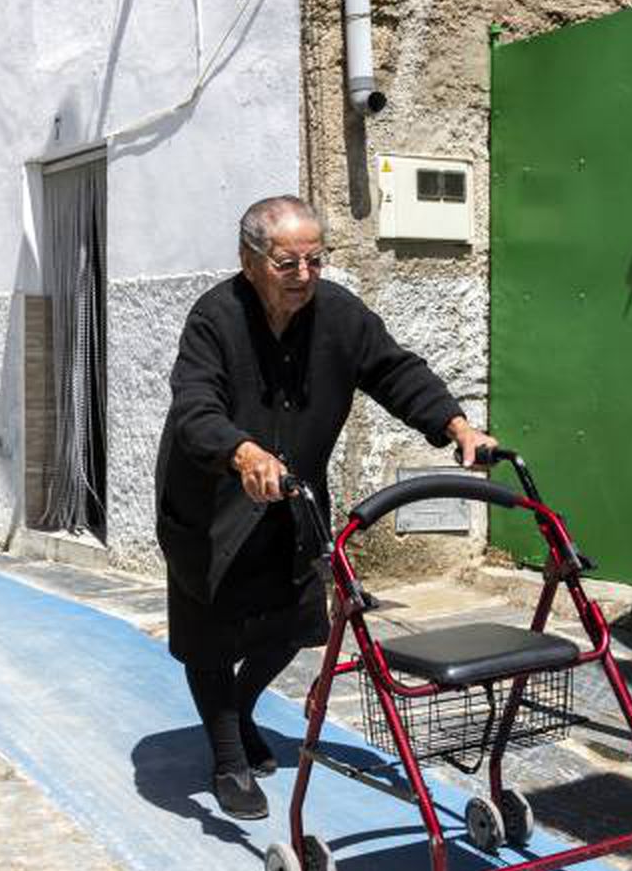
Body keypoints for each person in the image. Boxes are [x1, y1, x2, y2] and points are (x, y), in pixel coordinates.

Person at [153, 195, 497, 819]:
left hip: (292, 497)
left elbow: (395, 372)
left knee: (298, 623)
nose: (305, 276)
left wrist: (455, 425)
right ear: (250, 260)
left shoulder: (338, 315)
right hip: (213, 496)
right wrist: (243, 453)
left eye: (316, 260)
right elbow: (194, 407)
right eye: (289, 263)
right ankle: (229, 756)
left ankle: (239, 708)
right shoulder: (215, 318)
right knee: (211, 634)